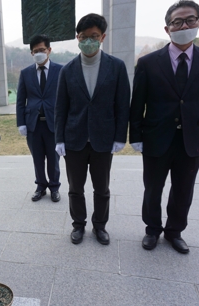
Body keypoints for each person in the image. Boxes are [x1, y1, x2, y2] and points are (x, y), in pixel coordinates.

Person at [130, 0, 199, 254]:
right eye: (177, 21)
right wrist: (135, 135)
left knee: (184, 189)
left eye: (189, 20)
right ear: (167, 29)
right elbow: (138, 103)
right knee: (153, 188)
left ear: (198, 23)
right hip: (156, 136)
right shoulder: (148, 62)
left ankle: (174, 231)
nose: (183, 25)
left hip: (192, 137)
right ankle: (152, 230)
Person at [55, 13, 131, 245]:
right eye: (84, 37)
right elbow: (61, 108)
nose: (89, 41)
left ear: (103, 37)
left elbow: (122, 105)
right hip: (74, 139)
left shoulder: (116, 67)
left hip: (103, 139)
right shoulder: (67, 70)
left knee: (102, 188)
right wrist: (59, 139)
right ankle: (78, 225)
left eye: (94, 36)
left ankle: (100, 226)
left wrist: (120, 136)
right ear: (77, 38)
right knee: (75, 188)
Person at [16, 34, 62, 203]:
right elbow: (21, 100)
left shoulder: (60, 70)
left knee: (53, 158)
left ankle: (55, 187)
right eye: (35, 51)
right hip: (33, 125)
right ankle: (40, 187)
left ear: (49, 50)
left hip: (53, 124)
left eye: (42, 50)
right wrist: (21, 123)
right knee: (37, 159)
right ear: (31, 54)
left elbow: (66, 98)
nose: (39, 53)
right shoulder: (26, 73)